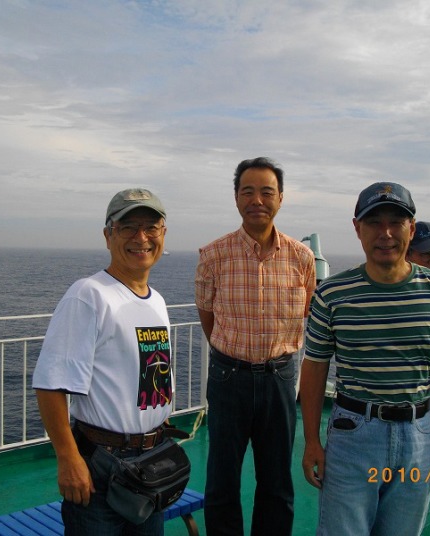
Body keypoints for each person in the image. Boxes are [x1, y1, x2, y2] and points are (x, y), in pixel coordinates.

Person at [299, 182, 430, 536]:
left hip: (419, 434)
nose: (385, 233)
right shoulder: (332, 295)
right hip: (353, 435)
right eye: (374, 222)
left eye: (396, 222)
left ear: (411, 228)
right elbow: (315, 369)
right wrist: (311, 442)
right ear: (357, 229)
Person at [33, 188, 173, 535]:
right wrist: (68, 458)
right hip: (102, 465)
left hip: (151, 462)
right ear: (108, 235)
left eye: (150, 227)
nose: (141, 237)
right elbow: (50, 384)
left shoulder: (157, 301)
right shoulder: (89, 295)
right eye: (128, 227)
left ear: (163, 233)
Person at [195, 157, 316, 535]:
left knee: (277, 482)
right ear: (236, 198)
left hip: (280, 377)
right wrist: (232, 354)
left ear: (281, 198)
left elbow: (306, 310)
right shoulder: (213, 255)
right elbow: (207, 316)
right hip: (228, 377)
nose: (257, 200)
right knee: (221, 481)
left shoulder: (301, 258)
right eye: (248, 191)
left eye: (267, 192)